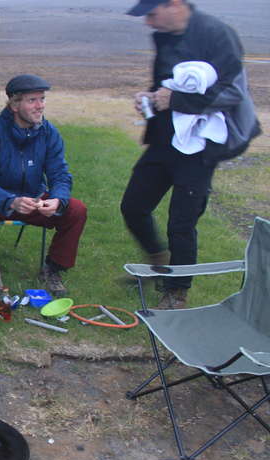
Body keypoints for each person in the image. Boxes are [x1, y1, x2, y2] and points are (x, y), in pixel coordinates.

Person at [121, 0, 254, 309]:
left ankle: (177, 290)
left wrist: (175, 99)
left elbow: (233, 92)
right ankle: (158, 262)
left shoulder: (217, 34)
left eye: (152, 14)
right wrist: (151, 98)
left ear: (175, 5)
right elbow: (168, 85)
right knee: (133, 206)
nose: (148, 23)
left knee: (181, 223)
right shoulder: (165, 35)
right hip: (164, 141)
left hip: (200, 149)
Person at [0, 74, 87, 296]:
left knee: (76, 209)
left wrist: (57, 199)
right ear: (14, 104)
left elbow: (60, 174)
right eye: (32, 100)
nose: (40, 106)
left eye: (42, 99)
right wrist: (11, 201)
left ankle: (53, 267)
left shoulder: (49, 133)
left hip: (34, 199)